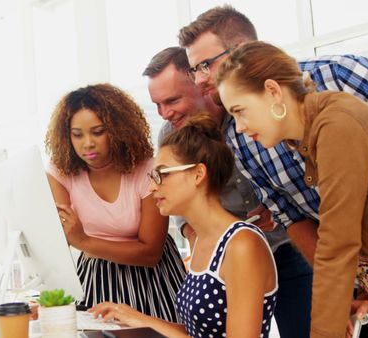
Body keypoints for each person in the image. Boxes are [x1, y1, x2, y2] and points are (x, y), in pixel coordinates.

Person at [178, 5, 368, 337]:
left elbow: (337, 240)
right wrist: (356, 291)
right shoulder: (277, 137)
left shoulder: (336, 104)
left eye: (205, 64)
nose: (239, 128)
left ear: (271, 90)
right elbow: (302, 222)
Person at [144, 46, 311, 338]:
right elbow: (190, 222)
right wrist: (209, 246)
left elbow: (297, 182)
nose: (165, 113)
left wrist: (274, 212)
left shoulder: (249, 117)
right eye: (157, 104)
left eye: (171, 100)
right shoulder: (171, 138)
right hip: (225, 252)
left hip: (287, 244)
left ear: (200, 85)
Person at [91, 115, 278, 338]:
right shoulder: (201, 241)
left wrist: (144, 321)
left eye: (161, 174)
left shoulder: (242, 244)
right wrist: (138, 318)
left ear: (198, 174)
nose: (151, 187)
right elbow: (198, 333)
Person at [44, 83, 186, 322]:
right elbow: (62, 239)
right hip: (95, 278)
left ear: (118, 130)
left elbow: (150, 252)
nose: (87, 143)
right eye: (77, 134)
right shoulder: (60, 173)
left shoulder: (148, 170)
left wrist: (85, 241)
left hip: (153, 280)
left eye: (97, 132)